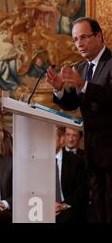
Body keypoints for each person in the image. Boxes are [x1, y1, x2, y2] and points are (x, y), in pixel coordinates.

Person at [47, 17, 112, 222]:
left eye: (84, 37)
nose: (79, 44)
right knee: (99, 204)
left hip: (111, 148)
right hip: (92, 149)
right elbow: (72, 104)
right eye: (75, 40)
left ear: (99, 36)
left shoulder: (110, 63)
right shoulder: (81, 68)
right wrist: (59, 90)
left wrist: (84, 85)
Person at [54, 127, 89, 223]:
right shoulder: (39, 160)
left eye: (51, 137)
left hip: (67, 207)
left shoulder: (77, 161)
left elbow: (81, 190)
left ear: (61, 139)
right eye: (68, 135)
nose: (70, 139)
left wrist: (63, 205)